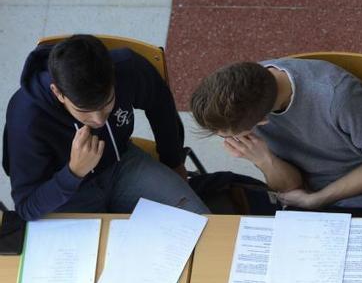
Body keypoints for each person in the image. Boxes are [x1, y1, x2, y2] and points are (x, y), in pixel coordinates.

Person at [3, 34, 208, 221]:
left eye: (107, 103)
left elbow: (160, 104)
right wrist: (73, 172)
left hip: (121, 164)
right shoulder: (26, 118)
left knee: (200, 222)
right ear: (58, 93)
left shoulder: (127, 67)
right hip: (66, 195)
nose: (99, 120)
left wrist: (173, 161)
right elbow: (26, 207)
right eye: (84, 110)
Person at [189, 58, 362, 217]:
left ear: (264, 120)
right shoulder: (250, 93)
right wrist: (265, 160)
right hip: (306, 198)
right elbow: (289, 188)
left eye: (233, 136)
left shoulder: (339, 98)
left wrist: (318, 199)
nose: (231, 141)